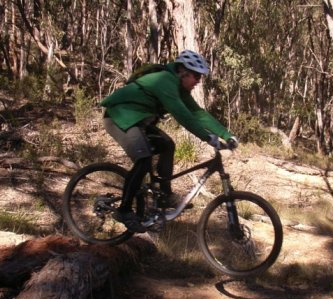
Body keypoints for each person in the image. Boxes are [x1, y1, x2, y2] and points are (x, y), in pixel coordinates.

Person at [100, 49, 238, 232]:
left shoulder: (179, 88)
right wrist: (208, 137)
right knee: (144, 159)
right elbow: (183, 116)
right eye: (196, 76)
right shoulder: (165, 81)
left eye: (200, 77)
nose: (198, 81)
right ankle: (123, 211)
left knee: (167, 145)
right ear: (182, 71)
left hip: (138, 120)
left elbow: (198, 113)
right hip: (119, 116)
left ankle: (165, 194)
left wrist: (226, 134)